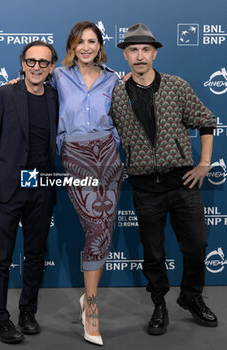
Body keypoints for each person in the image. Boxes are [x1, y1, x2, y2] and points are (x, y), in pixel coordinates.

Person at [110, 23, 218, 335]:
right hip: (144, 187)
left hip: (182, 182)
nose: (140, 55)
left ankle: (191, 297)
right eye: (133, 50)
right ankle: (159, 303)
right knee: (153, 251)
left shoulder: (177, 85)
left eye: (145, 49)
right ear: (125, 55)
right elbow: (81, 100)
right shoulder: (115, 93)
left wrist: (205, 163)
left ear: (155, 53)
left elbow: (206, 120)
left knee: (196, 244)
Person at [48, 21, 123, 346]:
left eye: (92, 41)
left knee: (104, 229)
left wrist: (114, 140)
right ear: (72, 46)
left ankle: (88, 301)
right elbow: (32, 90)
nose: (86, 47)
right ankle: (91, 309)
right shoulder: (57, 76)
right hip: (76, 154)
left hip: (108, 154)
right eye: (80, 42)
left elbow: (123, 115)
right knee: (94, 226)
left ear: (100, 45)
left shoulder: (113, 78)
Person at [0, 40, 58, 344]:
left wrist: (124, 77)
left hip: (42, 188)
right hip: (7, 189)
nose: (36, 66)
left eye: (43, 62)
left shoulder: (53, 95)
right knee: (0, 258)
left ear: (51, 67)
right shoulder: (4, 94)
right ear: (22, 63)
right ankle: (1, 319)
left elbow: (87, 78)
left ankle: (28, 312)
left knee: (35, 254)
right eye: (31, 61)